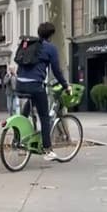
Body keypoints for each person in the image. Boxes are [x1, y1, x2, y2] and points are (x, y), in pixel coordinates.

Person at [16, 22, 71, 161]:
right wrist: (66, 86)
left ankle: (17, 138)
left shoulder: (29, 44)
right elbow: (56, 71)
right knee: (44, 117)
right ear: (51, 35)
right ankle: (47, 149)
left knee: (28, 107)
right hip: (35, 85)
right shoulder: (50, 48)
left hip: (19, 84)